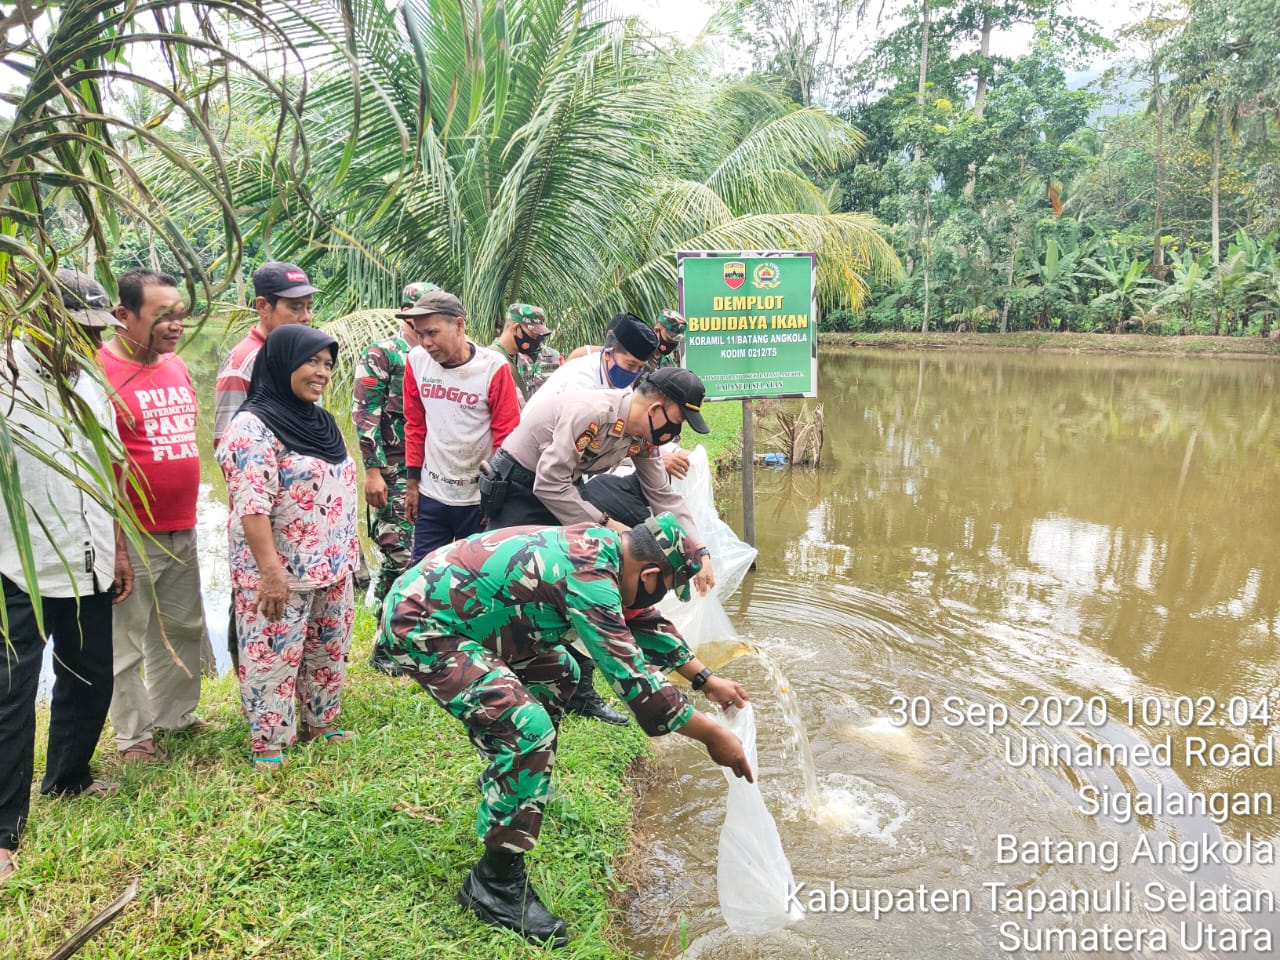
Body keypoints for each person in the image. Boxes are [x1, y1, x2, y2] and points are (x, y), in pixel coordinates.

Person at [378, 513, 752, 946]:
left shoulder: (608, 550)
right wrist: (712, 735)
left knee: (562, 672)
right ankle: (494, 884)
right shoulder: (590, 578)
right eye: (663, 587)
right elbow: (637, 683)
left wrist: (706, 679)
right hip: (425, 624)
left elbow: (640, 621)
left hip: (469, 617)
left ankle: (521, 786)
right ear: (649, 573)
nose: (657, 598)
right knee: (526, 728)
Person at [484, 368, 717, 725]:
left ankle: (576, 690)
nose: (677, 432)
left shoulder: (641, 437)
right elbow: (547, 484)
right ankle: (498, 679)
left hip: (561, 490)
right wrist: (607, 526)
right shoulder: (593, 413)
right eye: (678, 420)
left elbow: (663, 495)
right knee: (523, 588)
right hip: (520, 487)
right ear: (656, 408)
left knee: (581, 582)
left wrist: (698, 552)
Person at [0, 269, 135, 883]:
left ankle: (68, 777)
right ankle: (5, 831)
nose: (88, 340)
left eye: (95, 330)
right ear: (39, 317)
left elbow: (102, 471)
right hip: (14, 563)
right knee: (10, 696)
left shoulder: (90, 381)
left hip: (86, 560)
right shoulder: (6, 378)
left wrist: (119, 550)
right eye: (78, 327)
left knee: (89, 678)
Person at [216, 325, 359, 773]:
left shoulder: (321, 420)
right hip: (281, 570)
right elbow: (251, 506)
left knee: (328, 649)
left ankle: (322, 722)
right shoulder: (251, 427)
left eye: (327, 365)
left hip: (332, 565)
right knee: (271, 655)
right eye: (311, 362)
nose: (321, 373)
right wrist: (270, 572)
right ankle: (270, 744)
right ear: (281, 363)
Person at [100, 269, 209, 763]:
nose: (175, 326)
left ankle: (174, 718)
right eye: (163, 315)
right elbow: (96, 463)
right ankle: (133, 738)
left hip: (182, 524)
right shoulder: (98, 371)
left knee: (182, 628)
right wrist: (115, 539)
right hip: (131, 532)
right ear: (123, 316)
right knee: (126, 640)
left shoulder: (176, 367)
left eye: (181, 315)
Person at [213, 261, 322, 669]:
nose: (306, 316)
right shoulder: (244, 364)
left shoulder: (305, 355)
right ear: (263, 305)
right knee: (258, 610)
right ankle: (253, 691)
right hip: (262, 517)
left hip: (302, 523)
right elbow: (228, 451)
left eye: (309, 306)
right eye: (295, 308)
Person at [399, 288, 520, 563]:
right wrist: (412, 484)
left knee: (473, 579)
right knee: (423, 575)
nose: (425, 342)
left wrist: (497, 498)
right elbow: (415, 425)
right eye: (419, 334)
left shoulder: (493, 368)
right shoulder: (417, 362)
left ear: (459, 325)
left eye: (432, 332)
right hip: (433, 495)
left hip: (476, 500)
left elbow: (507, 437)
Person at [353, 281, 434, 675]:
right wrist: (372, 471)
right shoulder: (384, 353)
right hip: (393, 469)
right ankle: (387, 648)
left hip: (428, 470)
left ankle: (398, 634)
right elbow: (364, 413)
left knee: (408, 557)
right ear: (406, 315)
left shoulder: (435, 354)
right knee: (400, 554)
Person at [519, 312, 657, 419]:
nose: (634, 373)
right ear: (608, 354)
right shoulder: (581, 378)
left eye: (640, 368)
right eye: (630, 365)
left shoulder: (624, 389)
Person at [565, 309, 685, 369]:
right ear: (657, 329)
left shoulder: (668, 361)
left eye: (675, 342)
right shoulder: (635, 349)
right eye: (670, 339)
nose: (671, 344)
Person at [487, 303, 553, 404]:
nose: (537, 341)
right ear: (516, 328)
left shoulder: (523, 362)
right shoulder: (489, 361)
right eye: (533, 335)